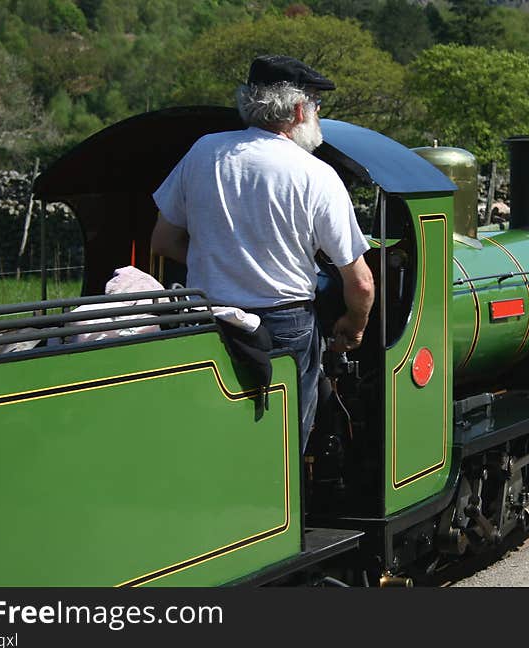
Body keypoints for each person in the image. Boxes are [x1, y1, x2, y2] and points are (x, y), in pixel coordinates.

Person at [150, 54, 375, 451]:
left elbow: (163, 242)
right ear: (300, 110)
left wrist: (218, 259)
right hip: (284, 325)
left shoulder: (203, 152)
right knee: (283, 442)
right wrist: (355, 327)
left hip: (207, 316)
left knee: (210, 433)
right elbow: (359, 281)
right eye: (316, 106)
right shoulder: (315, 174)